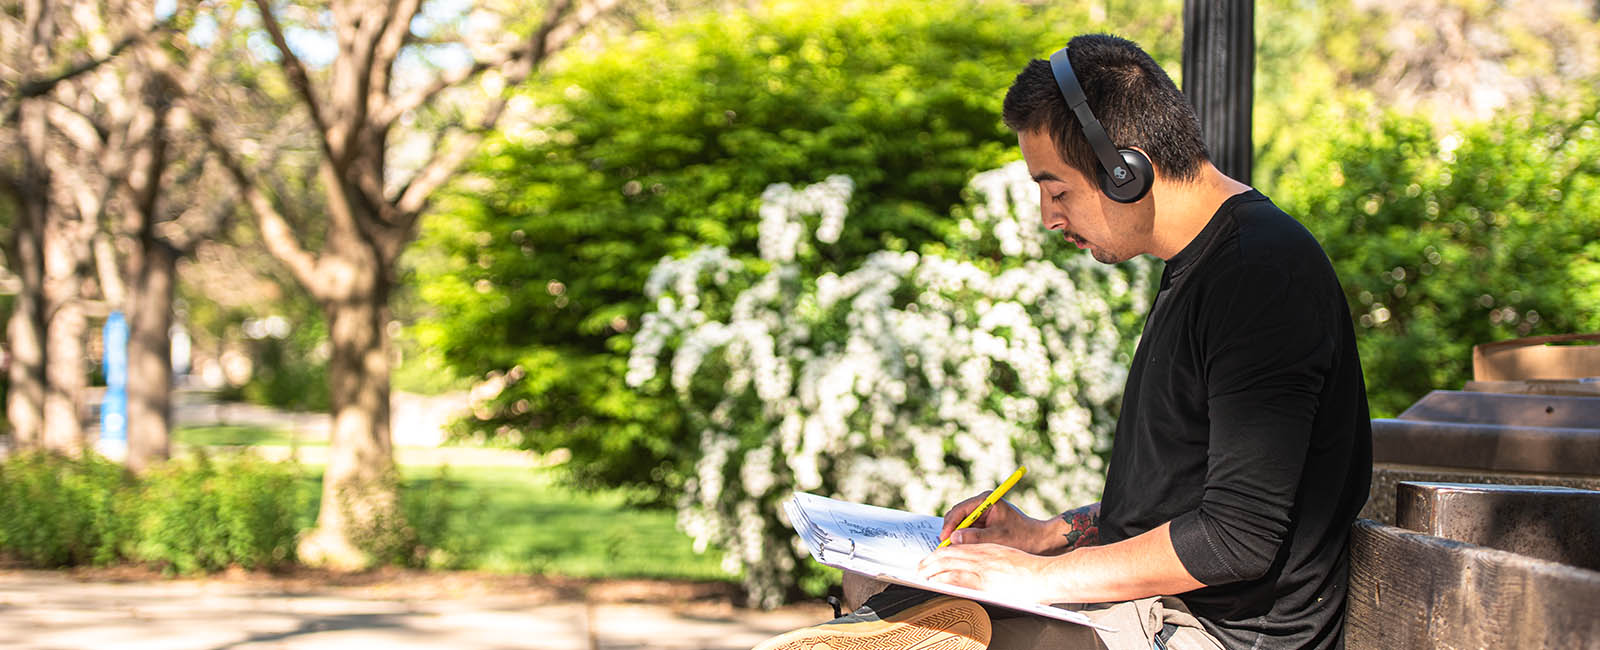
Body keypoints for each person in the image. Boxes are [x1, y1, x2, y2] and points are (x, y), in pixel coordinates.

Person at [753, 33, 1372, 650]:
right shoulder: (1213, 267)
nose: (1049, 217)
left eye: (1057, 189)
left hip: (1212, 636)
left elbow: (1235, 537)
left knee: (899, 632)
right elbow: (1180, 501)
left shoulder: (1259, 277)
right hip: (1155, 614)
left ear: (1125, 172)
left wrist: (1039, 578)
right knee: (876, 588)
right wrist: (1044, 536)